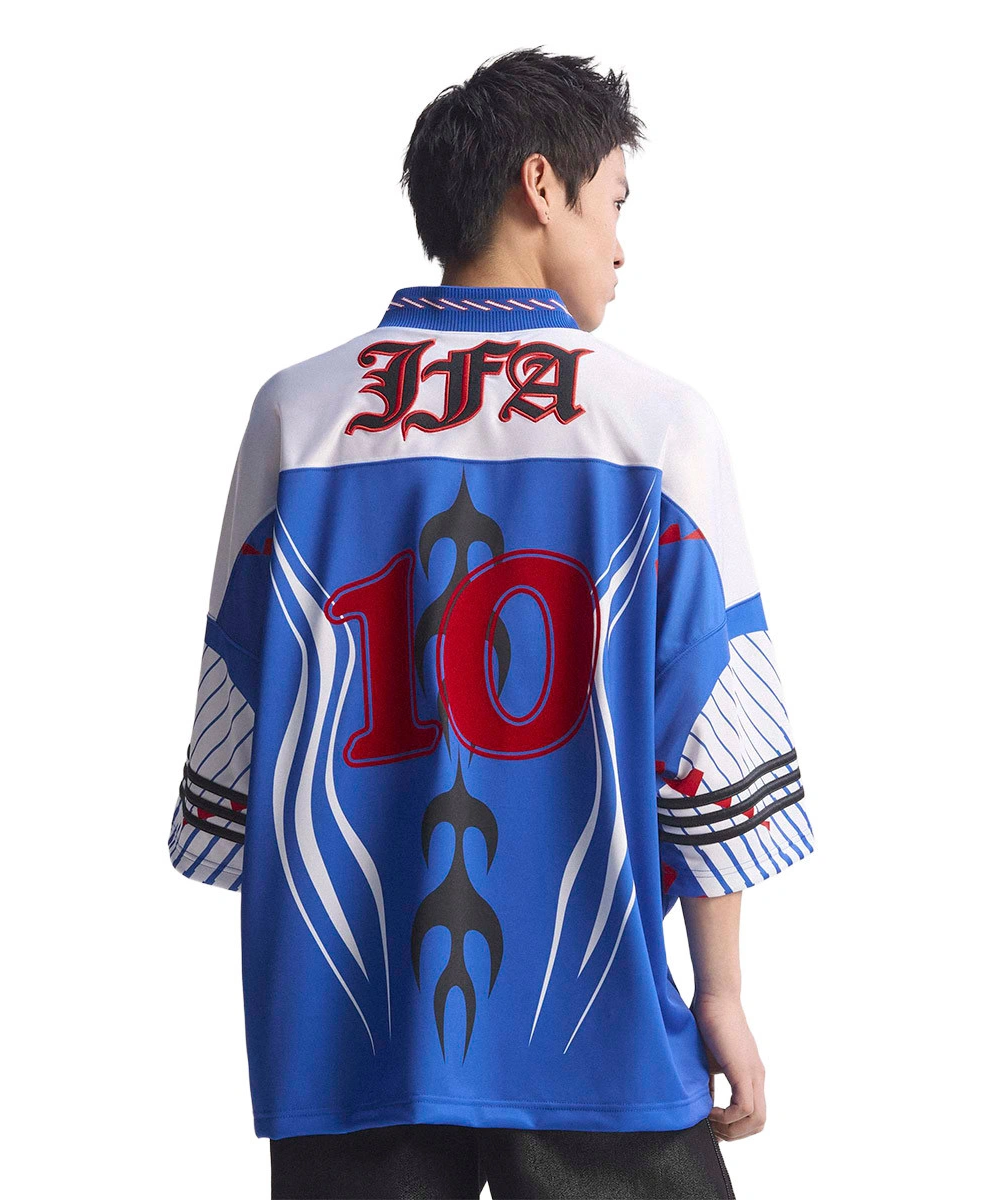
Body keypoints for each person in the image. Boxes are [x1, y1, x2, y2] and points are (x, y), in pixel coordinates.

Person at [168, 46, 814, 1200]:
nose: (622, 245)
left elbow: (240, 738)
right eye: (615, 201)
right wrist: (720, 992)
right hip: (601, 1037)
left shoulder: (296, 415)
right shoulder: (657, 425)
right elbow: (709, 748)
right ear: (541, 185)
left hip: (346, 1041)